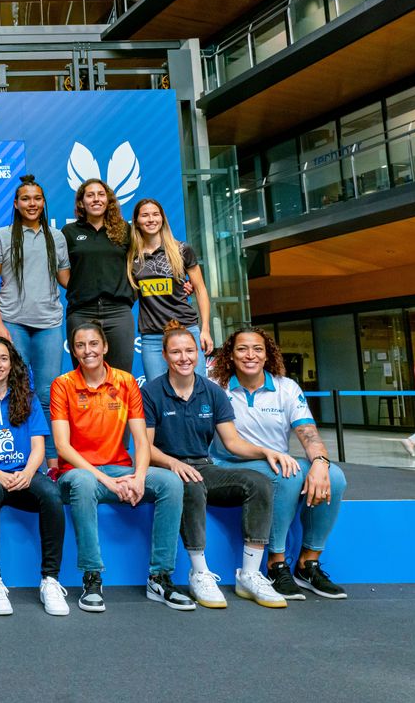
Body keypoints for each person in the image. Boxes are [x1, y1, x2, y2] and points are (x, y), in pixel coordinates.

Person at [142, 321, 294, 609]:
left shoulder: (213, 392)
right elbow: (145, 448)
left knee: (259, 482)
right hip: (166, 468)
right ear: (164, 356)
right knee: (191, 482)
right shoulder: (151, 392)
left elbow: (233, 442)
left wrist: (266, 452)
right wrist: (173, 463)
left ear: (198, 354)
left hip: (204, 465)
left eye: (189, 351)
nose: (183, 357)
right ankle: (199, 572)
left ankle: (249, 575)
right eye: (175, 352)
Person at [51, 322, 194, 613]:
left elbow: (142, 441)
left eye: (93, 344)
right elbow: (63, 448)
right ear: (73, 350)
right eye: (80, 345)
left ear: (105, 346)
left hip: (119, 470)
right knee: (83, 482)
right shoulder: (62, 384)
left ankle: (160, 576)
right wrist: (108, 481)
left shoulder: (126, 382)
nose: (88, 350)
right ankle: (92, 576)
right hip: (78, 474)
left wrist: (139, 478)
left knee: (171, 483)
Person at [209, 327, 349, 600]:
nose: (250, 355)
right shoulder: (217, 386)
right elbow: (229, 442)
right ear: (230, 355)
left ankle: (308, 564)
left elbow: (308, 433)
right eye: (242, 349)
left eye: (257, 349)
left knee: (335, 476)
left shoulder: (286, 387)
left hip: (277, 460)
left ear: (267, 354)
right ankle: (276, 563)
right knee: (288, 475)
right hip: (230, 463)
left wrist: (320, 462)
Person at [0, 337, 68, 616]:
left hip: (22, 474)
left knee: (53, 494)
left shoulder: (27, 399)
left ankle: (51, 580)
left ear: (12, 363)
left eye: (3, 358)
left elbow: (38, 448)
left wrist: (28, 473)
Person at [0, 174, 71, 421]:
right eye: (25, 199)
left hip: (49, 325)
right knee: (17, 390)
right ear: (16, 204)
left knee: (47, 393)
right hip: (13, 322)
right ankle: (21, 454)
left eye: (37, 199)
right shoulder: (2, 235)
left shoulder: (57, 237)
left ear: (43, 202)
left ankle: (50, 457)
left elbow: (66, 280)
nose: (31, 204)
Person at [128, 198, 213, 381]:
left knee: (196, 388)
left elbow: (200, 290)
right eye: (145, 215)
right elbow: (131, 294)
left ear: (162, 219)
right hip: (152, 336)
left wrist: (205, 329)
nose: (151, 219)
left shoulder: (182, 249)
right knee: (158, 394)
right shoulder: (131, 257)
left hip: (186, 329)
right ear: (136, 221)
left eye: (155, 214)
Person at [62, 180, 137, 373]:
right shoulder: (69, 232)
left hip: (118, 312)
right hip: (81, 312)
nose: (96, 199)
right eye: (90, 195)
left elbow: (139, 265)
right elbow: (61, 272)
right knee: (84, 378)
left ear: (108, 200)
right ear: (81, 202)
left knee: (120, 378)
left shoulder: (125, 230)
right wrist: (82, 286)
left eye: (101, 194)